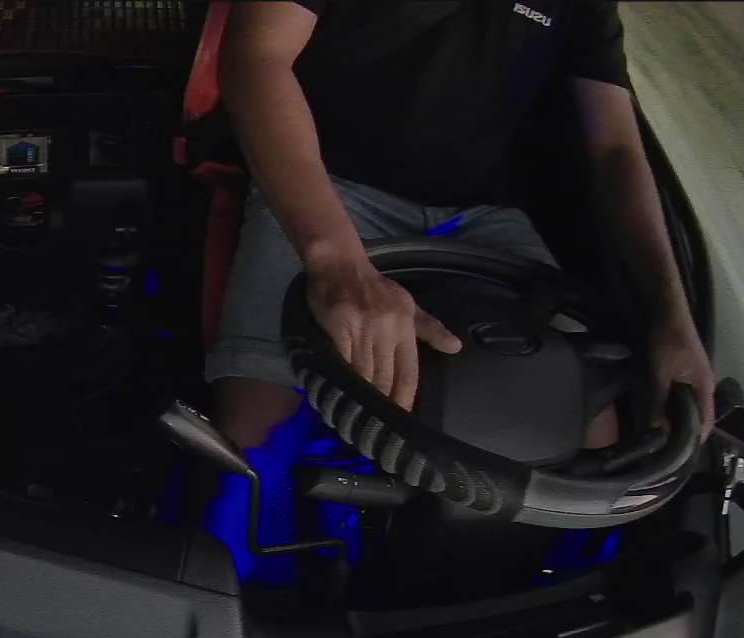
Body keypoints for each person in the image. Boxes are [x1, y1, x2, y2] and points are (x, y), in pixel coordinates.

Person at [209, 0, 715, 454]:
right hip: (329, 182)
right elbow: (257, 58)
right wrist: (340, 266)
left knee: (585, 428)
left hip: (484, 214)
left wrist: (672, 318)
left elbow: (616, 151)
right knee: (258, 431)